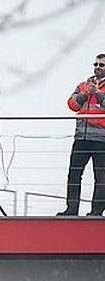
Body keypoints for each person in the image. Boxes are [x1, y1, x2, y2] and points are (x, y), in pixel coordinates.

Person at [58, 54, 105, 216]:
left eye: (102, 65)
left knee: (101, 176)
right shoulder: (83, 85)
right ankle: (71, 209)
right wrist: (86, 94)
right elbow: (72, 104)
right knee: (74, 173)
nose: (98, 67)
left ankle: (96, 211)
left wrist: (98, 93)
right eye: (96, 64)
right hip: (81, 138)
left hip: (101, 139)